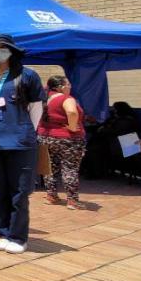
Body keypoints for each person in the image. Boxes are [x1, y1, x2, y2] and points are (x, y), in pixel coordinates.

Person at [0, 33, 45, 255]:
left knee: (19, 192)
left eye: (3, 48)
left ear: (12, 51)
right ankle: (4, 232)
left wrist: (25, 131)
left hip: (20, 143)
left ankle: (18, 237)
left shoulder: (27, 76)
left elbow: (36, 108)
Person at [39, 76, 87, 210]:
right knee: (70, 168)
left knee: (49, 167)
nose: (70, 86)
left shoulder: (44, 97)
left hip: (46, 136)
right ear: (60, 86)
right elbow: (72, 112)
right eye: (68, 84)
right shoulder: (66, 99)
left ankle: (51, 195)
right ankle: (72, 200)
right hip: (68, 139)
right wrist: (72, 127)